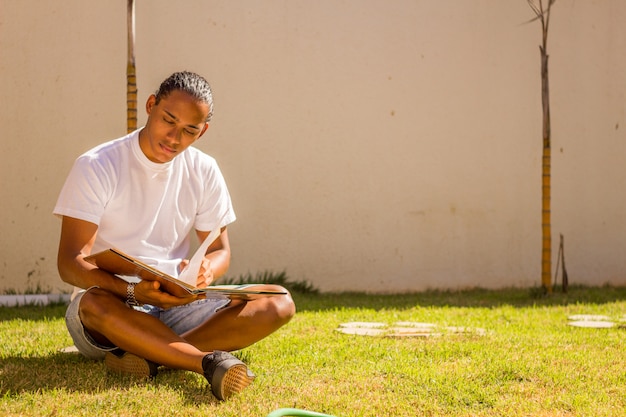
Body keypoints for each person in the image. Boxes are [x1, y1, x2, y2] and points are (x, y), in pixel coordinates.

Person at [54, 71, 295, 401]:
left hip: (177, 303)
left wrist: (207, 270)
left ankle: (151, 357)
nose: (174, 137)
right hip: (114, 305)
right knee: (94, 303)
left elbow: (221, 250)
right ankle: (206, 362)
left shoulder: (205, 169)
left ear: (203, 131)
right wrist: (132, 290)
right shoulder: (97, 165)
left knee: (277, 301)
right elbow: (70, 264)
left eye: (189, 130)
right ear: (151, 106)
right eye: (168, 120)